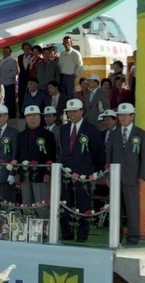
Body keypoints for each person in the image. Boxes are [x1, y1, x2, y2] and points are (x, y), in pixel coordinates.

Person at [59, 99, 103, 242]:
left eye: (75, 111)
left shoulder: (91, 129)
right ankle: (67, 233)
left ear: (81, 111)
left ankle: (82, 234)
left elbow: (98, 152)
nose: (72, 114)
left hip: (84, 174)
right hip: (66, 173)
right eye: (69, 111)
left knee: (84, 204)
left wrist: (95, 171)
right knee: (65, 203)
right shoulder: (63, 129)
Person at [107, 103, 145, 246]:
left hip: (132, 176)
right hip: (116, 177)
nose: (121, 117)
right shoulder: (114, 133)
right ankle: (115, 237)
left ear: (132, 116)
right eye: (120, 115)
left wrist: (142, 176)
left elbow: (144, 157)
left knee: (132, 208)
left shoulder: (140, 133)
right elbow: (109, 156)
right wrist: (108, 175)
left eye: (124, 115)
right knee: (116, 209)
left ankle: (133, 236)